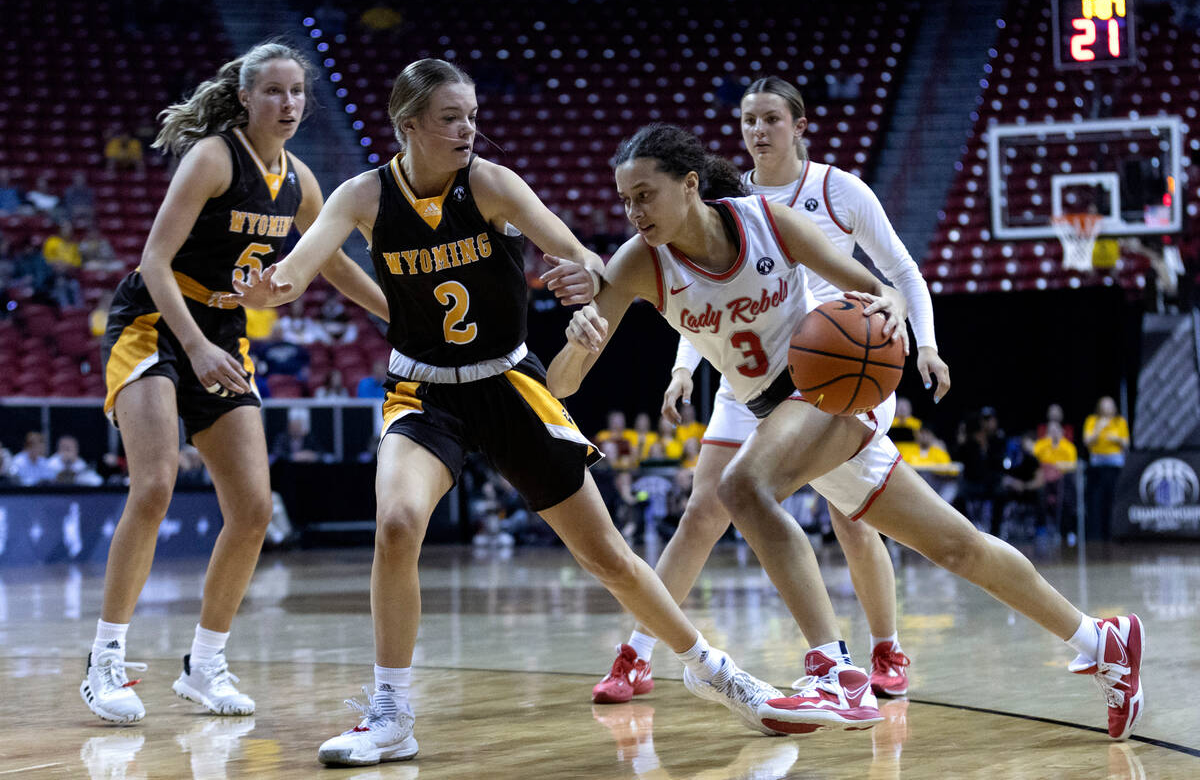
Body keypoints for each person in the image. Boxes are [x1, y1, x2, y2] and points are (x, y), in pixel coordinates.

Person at [230, 58, 783, 766]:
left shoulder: (489, 182)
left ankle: (714, 670)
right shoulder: (363, 196)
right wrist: (268, 288)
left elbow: (576, 251)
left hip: (508, 383)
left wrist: (585, 284)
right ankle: (393, 710)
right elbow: (297, 271)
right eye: (451, 118)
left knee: (608, 557)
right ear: (408, 126)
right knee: (397, 523)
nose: (469, 128)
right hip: (422, 390)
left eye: (471, 114)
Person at [547, 122, 1144, 741]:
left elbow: (874, 286)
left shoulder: (767, 223)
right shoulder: (640, 264)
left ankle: (835, 672)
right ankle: (1102, 640)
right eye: (625, 200)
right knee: (956, 546)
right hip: (775, 413)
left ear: (689, 184)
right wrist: (574, 344)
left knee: (740, 487)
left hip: (835, 386)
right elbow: (565, 384)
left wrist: (887, 310)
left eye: (644, 194)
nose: (633, 211)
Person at [572, 78, 949, 707]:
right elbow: (699, 299)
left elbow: (900, 272)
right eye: (748, 120)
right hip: (745, 376)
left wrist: (927, 342)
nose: (757, 131)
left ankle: (882, 650)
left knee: (852, 518)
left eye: (771, 119)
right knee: (702, 512)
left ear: (799, 126)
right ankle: (637, 653)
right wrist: (683, 368)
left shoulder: (837, 189)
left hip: (832, 363)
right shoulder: (728, 198)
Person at [80, 43, 388, 727]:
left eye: (298, 92)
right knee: (155, 483)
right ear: (245, 98)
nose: (288, 104)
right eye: (273, 92)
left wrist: (398, 316)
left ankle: (205, 665)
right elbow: (153, 262)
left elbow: (329, 262)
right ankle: (105, 659)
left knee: (253, 508)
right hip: (157, 324)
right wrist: (191, 345)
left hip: (221, 334)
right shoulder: (214, 158)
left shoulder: (302, 182)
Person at [1083, 396, 1129, 542]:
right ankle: (1096, 535)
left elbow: (1126, 443)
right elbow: (1087, 441)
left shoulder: (1119, 422)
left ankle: (1113, 533)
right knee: (1096, 500)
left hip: (1114, 464)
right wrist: (1099, 429)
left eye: (1110, 405)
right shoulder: (1092, 421)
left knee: (1113, 499)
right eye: (1104, 405)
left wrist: (1115, 438)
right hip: (1097, 463)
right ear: (1099, 407)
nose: (1107, 407)